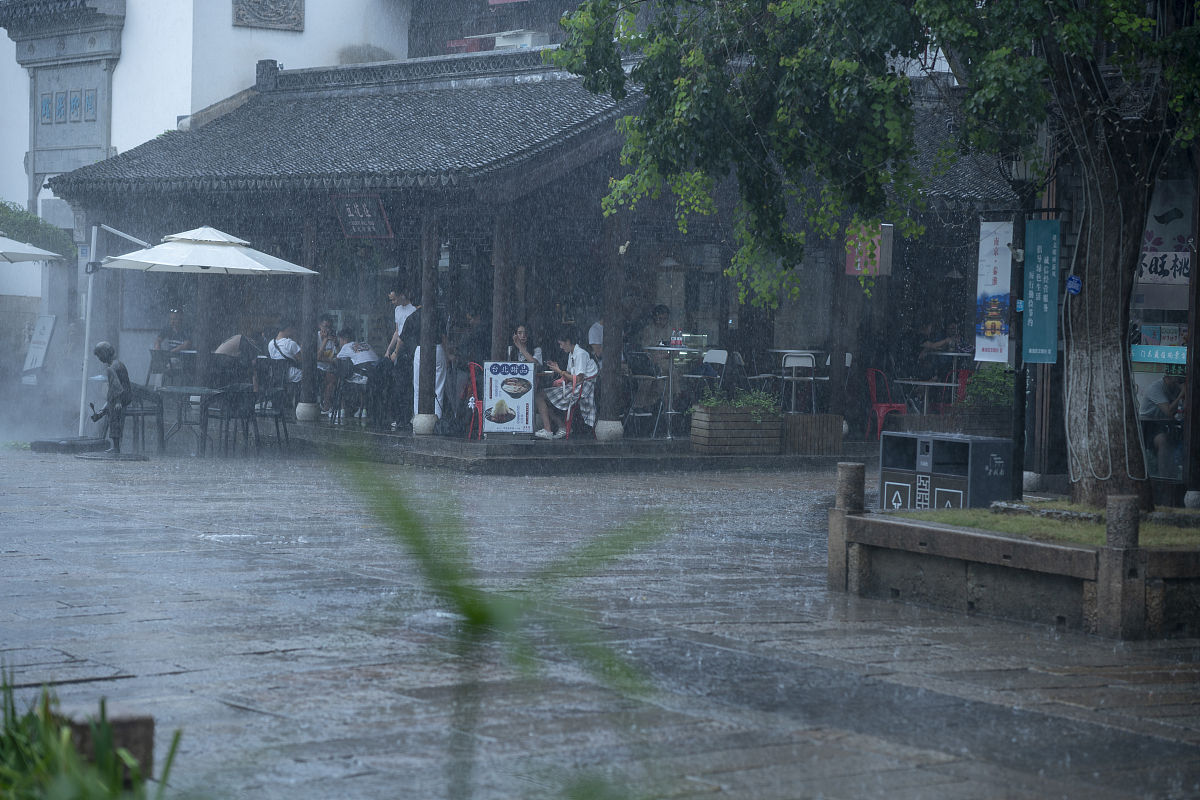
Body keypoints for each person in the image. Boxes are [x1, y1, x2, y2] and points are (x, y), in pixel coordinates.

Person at [534, 326, 599, 440]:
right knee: (542, 397)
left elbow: (578, 379)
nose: (561, 347)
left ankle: (549, 430)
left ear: (568, 341)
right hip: (574, 386)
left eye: (561, 344)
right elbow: (569, 374)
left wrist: (560, 371)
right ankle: (561, 426)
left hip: (581, 389)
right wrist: (557, 368)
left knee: (540, 396)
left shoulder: (580, 353)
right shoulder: (572, 354)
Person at [1139, 365, 1187, 478]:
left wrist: (1186, 395)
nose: (1178, 382)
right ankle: (1164, 477)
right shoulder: (1155, 388)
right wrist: (1182, 393)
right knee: (1163, 440)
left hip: (1167, 424)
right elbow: (1169, 411)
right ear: (1167, 377)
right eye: (1176, 379)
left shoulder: (1176, 387)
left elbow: (1184, 410)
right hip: (1148, 425)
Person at [89, 341, 133, 454]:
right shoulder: (118, 364)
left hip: (120, 397)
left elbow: (116, 386)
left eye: (99, 355)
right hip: (122, 396)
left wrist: (118, 401)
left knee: (114, 420)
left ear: (105, 353)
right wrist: (102, 411)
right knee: (112, 417)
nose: (99, 358)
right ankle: (115, 446)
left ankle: (116, 447)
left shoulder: (111, 368)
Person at [335, 327, 380, 419]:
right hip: (376, 376)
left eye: (339, 340)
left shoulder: (346, 346)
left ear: (344, 339)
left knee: (341, 378)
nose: (339, 343)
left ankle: (341, 410)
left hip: (363, 376)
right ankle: (363, 409)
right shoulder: (365, 344)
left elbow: (337, 360)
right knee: (362, 381)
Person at [315, 314, 339, 414]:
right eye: (325, 326)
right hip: (317, 368)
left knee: (335, 379)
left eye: (329, 327)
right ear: (320, 326)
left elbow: (338, 357)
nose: (327, 329)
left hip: (329, 368)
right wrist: (325, 341)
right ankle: (326, 405)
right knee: (330, 379)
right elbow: (317, 357)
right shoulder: (315, 337)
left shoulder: (333, 338)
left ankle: (328, 404)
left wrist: (336, 343)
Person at [268, 320, 302, 385]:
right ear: (288, 328)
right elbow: (302, 360)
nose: (294, 331)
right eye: (293, 329)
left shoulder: (270, 343)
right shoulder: (290, 343)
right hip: (293, 375)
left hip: (277, 375)